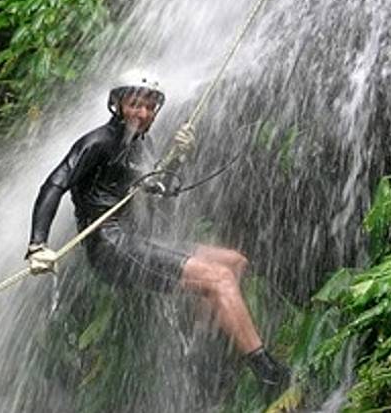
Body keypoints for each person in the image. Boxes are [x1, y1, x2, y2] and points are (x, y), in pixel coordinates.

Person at [25, 73, 290, 393]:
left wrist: (177, 158)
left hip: (138, 239)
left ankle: (200, 357)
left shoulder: (142, 144)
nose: (143, 113)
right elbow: (54, 185)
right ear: (118, 105)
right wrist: (37, 244)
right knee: (219, 278)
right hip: (112, 247)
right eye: (135, 104)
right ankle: (267, 373)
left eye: (149, 106)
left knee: (233, 262)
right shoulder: (98, 143)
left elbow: (162, 188)